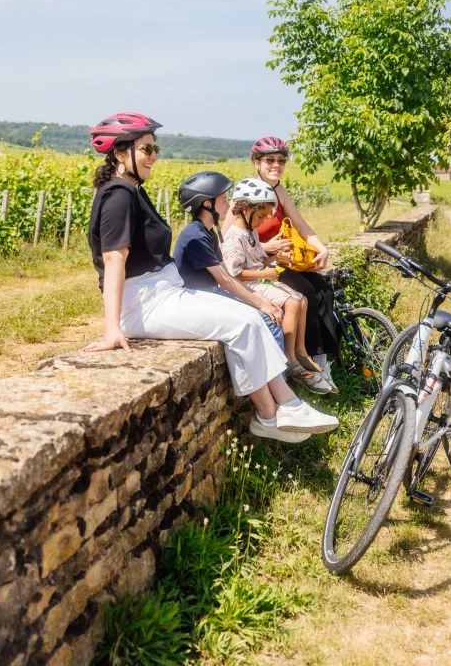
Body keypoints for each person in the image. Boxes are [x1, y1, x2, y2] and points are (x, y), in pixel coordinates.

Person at [83, 111, 338, 443]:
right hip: (144, 300)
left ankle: (288, 405)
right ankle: (269, 414)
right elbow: (114, 260)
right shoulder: (118, 194)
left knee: (251, 315)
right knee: (243, 323)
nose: (154, 157)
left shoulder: (131, 190)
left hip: (162, 291)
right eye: (147, 149)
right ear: (119, 152)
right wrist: (112, 328)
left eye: (155, 149)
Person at [221, 137, 339, 393]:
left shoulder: (279, 191)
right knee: (305, 292)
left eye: (281, 161)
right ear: (256, 162)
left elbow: (301, 225)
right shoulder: (245, 196)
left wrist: (321, 248)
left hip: (282, 261)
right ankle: (299, 365)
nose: (276, 165)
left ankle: (322, 360)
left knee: (323, 288)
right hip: (261, 266)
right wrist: (267, 248)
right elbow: (228, 240)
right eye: (269, 160)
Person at [173, 170, 285, 352]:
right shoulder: (195, 236)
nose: (229, 204)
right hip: (195, 297)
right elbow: (224, 280)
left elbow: (228, 275)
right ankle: (279, 378)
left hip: (208, 293)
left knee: (265, 312)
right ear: (208, 204)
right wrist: (260, 303)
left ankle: (277, 376)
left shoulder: (208, 232)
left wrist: (258, 298)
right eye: (224, 200)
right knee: (266, 318)